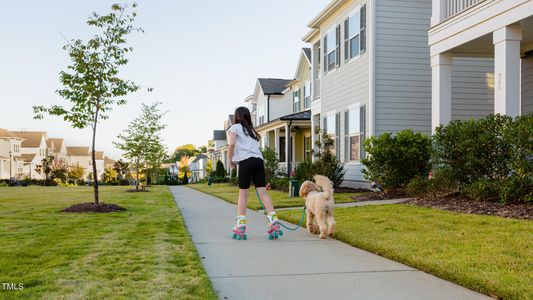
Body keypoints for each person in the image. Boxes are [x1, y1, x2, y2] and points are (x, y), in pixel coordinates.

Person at [226, 106, 281, 240]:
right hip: (258, 161)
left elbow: (232, 144)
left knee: (243, 194)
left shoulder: (234, 128)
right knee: (262, 192)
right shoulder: (251, 131)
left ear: (236, 116)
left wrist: (230, 160)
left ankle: (240, 226)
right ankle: (273, 220)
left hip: (246, 161)